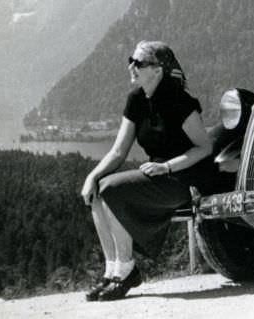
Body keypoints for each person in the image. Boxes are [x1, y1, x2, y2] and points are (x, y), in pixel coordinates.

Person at [80, 40, 214, 301]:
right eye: (132, 60)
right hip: (158, 174)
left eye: (139, 63)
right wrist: (91, 176)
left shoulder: (179, 101)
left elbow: (204, 147)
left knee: (112, 189)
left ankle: (127, 271)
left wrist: (167, 166)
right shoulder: (137, 100)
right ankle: (112, 272)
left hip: (185, 176)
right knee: (98, 189)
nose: (132, 66)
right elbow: (118, 152)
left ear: (158, 70)